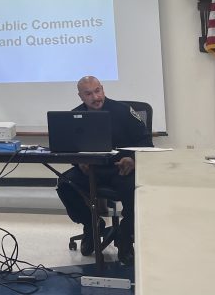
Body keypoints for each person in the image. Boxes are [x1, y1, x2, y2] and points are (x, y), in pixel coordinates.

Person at [55, 76, 152, 266]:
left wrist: (132, 159)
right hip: (90, 171)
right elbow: (69, 148)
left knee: (136, 191)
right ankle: (92, 225)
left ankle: (125, 236)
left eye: (97, 91)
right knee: (64, 184)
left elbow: (146, 143)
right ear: (81, 96)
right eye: (89, 94)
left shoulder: (123, 111)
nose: (95, 97)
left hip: (121, 169)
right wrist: (78, 162)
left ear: (103, 89)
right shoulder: (74, 116)